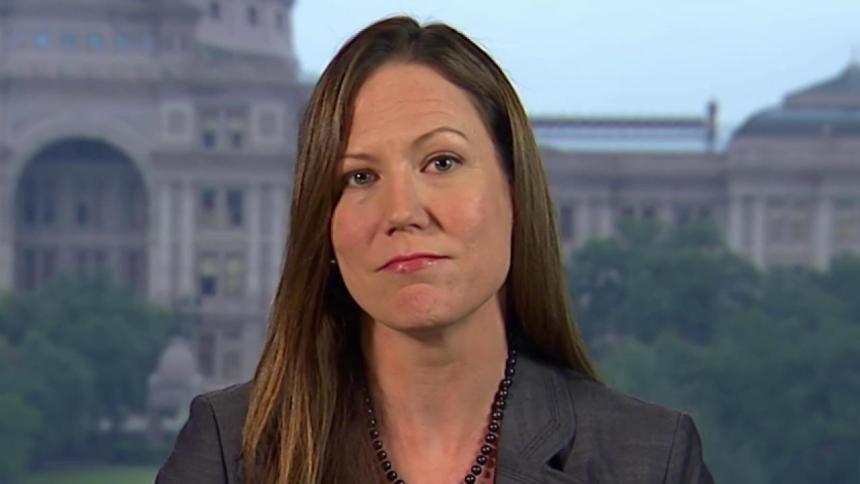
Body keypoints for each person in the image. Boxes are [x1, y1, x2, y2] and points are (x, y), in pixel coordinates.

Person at [156, 16, 714, 484]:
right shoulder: (231, 454)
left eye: (442, 162)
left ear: (515, 191)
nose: (403, 211)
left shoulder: (649, 460)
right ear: (321, 224)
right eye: (359, 177)